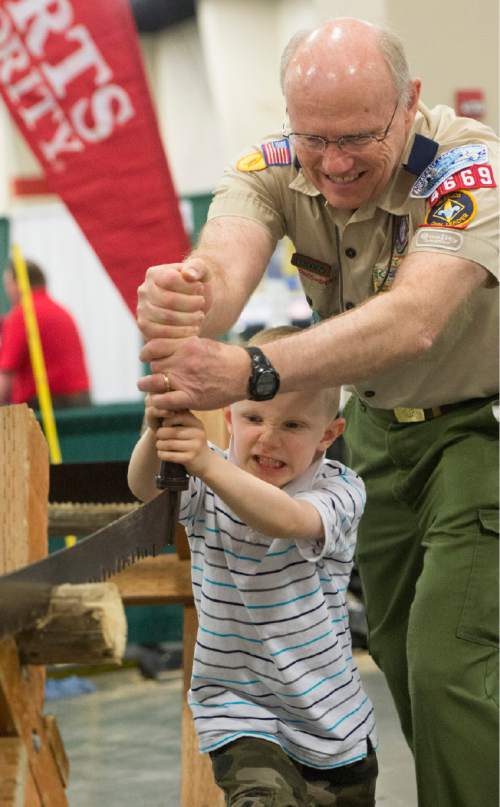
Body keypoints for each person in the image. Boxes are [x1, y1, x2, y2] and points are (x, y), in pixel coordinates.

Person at [135, 18, 499, 807]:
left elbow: (414, 321)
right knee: (402, 655)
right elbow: (225, 266)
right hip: (373, 430)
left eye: (359, 138)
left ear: (410, 106)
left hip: (480, 428)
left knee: (450, 662)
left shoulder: (470, 167)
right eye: (315, 139)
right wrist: (184, 294)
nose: (333, 163)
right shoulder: (274, 160)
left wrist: (253, 370)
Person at [129, 325, 378, 806]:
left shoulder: (341, 491)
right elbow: (145, 489)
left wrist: (206, 463)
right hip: (237, 708)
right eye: (253, 417)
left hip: (332, 723)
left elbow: (285, 520)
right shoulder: (208, 481)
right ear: (228, 417)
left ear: (329, 434)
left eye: (293, 425)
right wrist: (155, 430)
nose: (268, 438)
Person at [0, 259, 91, 408]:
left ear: (18, 285)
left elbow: (5, 378)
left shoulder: (22, 314)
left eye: (7, 285)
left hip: (44, 408)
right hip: (80, 403)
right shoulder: (60, 311)